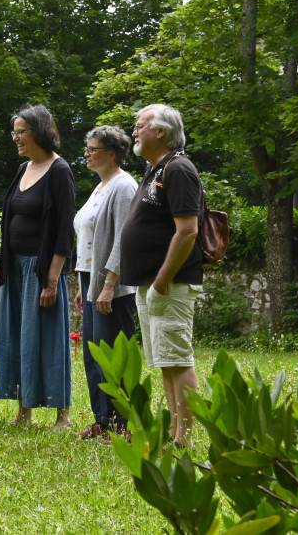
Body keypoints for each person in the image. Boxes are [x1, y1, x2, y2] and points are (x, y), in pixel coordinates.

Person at [120, 104, 203, 450]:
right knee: (166, 361)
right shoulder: (156, 169)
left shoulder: (179, 169)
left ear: (162, 133)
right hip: (151, 284)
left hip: (169, 283)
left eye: (140, 126)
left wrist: (161, 281)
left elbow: (187, 232)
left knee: (178, 358)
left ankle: (185, 438)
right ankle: (173, 433)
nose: (134, 132)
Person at [0, 103, 76, 430]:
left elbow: (62, 230)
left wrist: (52, 279)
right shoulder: (23, 169)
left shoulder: (60, 171)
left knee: (48, 340)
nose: (15, 137)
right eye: (14, 131)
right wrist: (4, 263)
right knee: (17, 338)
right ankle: (24, 412)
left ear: (39, 132)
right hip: (15, 268)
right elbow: (10, 218)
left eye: (21, 132)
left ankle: (63, 416)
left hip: (42, 271)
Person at [72, 126, 139, 439]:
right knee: (94, 354)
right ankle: (103, 420)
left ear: (112, 154)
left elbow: (126, 240)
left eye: (92, 148)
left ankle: (124, 426)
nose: (86, 153)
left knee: (114, 357)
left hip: (113, 284)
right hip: (91, 280)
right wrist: (81, 284)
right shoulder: (100, 187)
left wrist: (110, 284)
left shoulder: (124, 186)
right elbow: (89, 240)